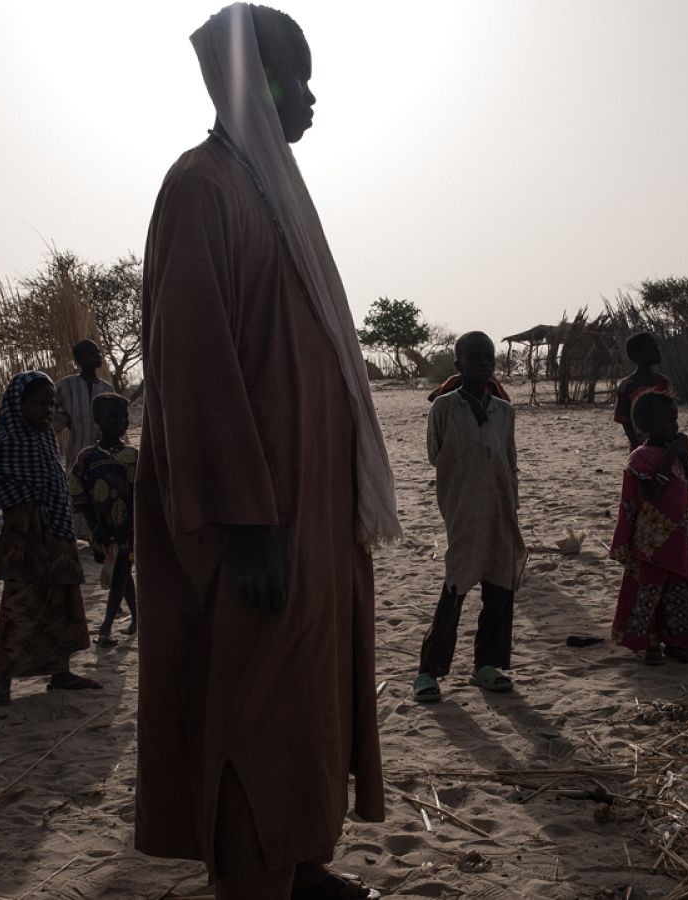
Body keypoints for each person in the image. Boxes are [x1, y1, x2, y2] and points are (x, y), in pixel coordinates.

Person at [135, 6, 397, 898]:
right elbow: (194, 368)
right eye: (297, 79)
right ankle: (251, 877)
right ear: (255, 82)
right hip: (256, 526)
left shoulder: (271, 194)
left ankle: (296, 860)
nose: (311, 98)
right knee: (252, 705)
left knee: (307, 700)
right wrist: (248, 524)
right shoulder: (201, 187)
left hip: (310, 520)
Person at [0, 371, 98, 706]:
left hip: (56, 535)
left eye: (52, 404)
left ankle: (60, 672)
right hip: (24, 540)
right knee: (19, 606)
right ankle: (3, 682)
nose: (48, 410)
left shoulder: (45, 440)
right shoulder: (8, 445)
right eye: (40, 403)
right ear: (19, 405)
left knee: (61, 602)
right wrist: (14, 499)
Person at [413, 332, 526, 703]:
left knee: (500, 586)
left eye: (488, 356)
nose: (482, 363)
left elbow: (510, 460)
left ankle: (487, 666)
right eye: (473, 356)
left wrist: (510, 503)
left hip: (501, 509)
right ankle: (428, 671)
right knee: (456, 585)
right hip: (462, 509)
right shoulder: (444, 408)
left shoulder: (504, 412)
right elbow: (436, 454)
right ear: (458, 363)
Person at [609, 393, 688, 665]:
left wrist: (685, 454)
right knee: (648, 591)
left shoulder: (676, 452)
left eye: (675, 420)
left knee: (684, 588)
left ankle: (678, 644)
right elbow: (651, 494)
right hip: (652, 539)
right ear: (648, 426)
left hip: (681, 534)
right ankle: (650, 645)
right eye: (668, 421)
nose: (675, 426)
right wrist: (668, 459)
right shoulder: (641, 458)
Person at [69, 393, 138, 645]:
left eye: (124, 417)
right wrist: (94, 524)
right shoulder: (88, 457)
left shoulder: (134, 456)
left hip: (127, 529)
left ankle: (106, 626)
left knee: (120, 569)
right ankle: (137, 617)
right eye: (113, 417)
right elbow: (76, 488)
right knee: (121, 571)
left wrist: (131, 525)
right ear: (98, 420)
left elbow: (141, 494)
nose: (120, 422)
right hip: (100, 528)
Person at [54, 339, 114, 465]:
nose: (99, 356)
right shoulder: (65, 386)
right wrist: (63, 419)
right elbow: (49, 414)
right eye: (92, 353)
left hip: (104, 456)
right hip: (76, 453)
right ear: (80, 359)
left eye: (98, 352)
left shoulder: (107, 389)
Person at [613, 332, 677, 449]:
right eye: (653, 348)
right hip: (639, 445)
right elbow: (624, 419)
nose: (658, 351)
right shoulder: (627, 386)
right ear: (638, 355)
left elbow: (671, 413)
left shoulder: (663, 382)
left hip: (665, 444)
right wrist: (636, 444)